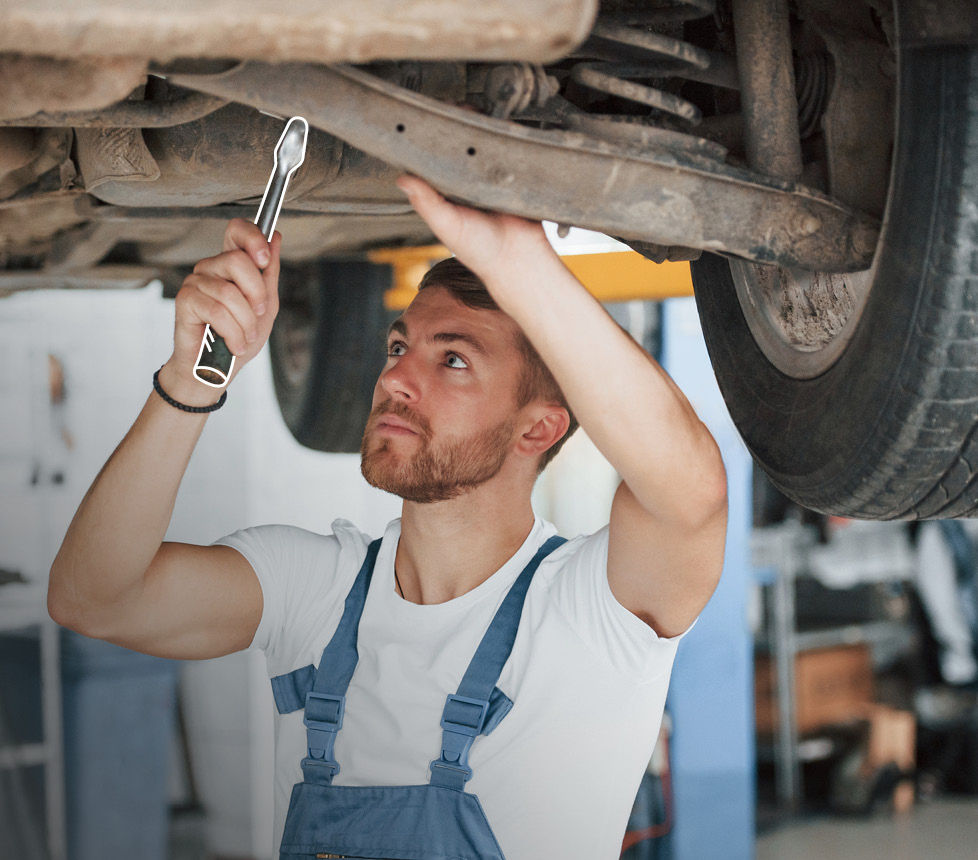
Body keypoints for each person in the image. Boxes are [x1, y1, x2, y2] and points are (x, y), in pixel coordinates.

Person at [48, 175, 728, 859]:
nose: (395, 379)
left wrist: (523, 265)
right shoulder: (314, 589)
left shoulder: (591, 615)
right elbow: (94, 599)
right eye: (399, 348)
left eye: (453, 360)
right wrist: (191, 379)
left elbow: (690, 493)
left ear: (538, 428)